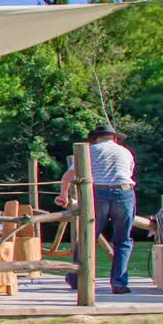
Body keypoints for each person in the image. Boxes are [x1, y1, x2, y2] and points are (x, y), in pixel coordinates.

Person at [56, 123, 137, 294]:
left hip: (98, 193)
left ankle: (76, 278)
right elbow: (128, 173)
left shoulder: (90, 151)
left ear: (95, 138)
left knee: (88, 237)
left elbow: (69, 176)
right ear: (115, 138)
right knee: (123, 240)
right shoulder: (126, 152)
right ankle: (119, 282)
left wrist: (63, 195)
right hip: (124, 192)